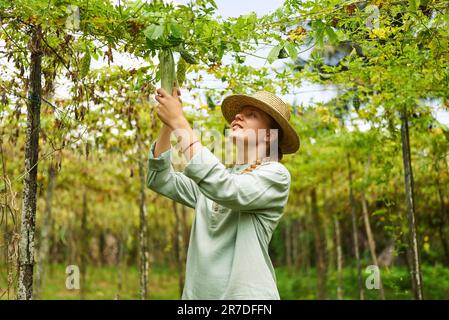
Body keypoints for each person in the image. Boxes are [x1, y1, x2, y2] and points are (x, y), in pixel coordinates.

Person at [147, 85, 300, 299]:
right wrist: (168, 126)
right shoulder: (217, 177)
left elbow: (226, 189)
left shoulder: (275, 175)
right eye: (240, 113)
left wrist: (180, 123)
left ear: (268, 136)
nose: (238, 116)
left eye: (251, 115)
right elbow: (160, 179)